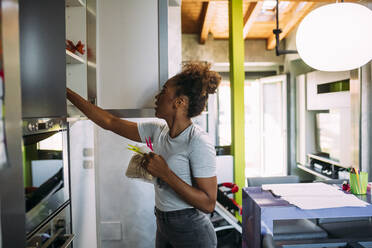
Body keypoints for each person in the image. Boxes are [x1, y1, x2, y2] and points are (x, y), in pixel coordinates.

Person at [67, 62, 221, 248]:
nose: (157, 97)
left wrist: (166, 174)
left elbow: (208, 204)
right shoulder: (158, 132)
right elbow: (110, 121)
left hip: (192, 231)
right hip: (163, 223)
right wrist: (66, 92)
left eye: (164, 91)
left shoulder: (197, 141)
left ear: (179, 102)